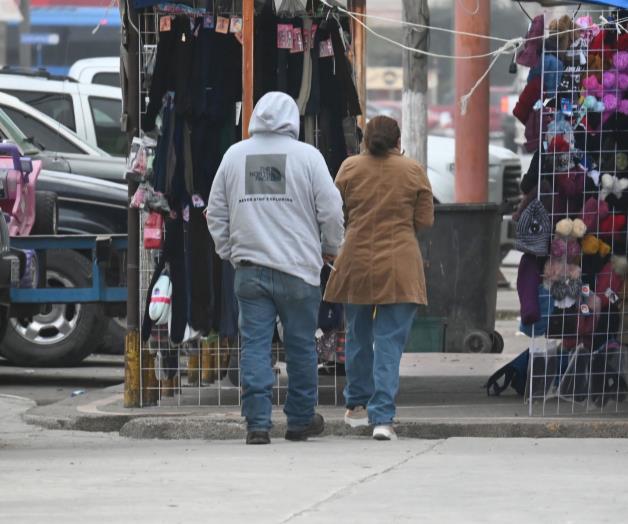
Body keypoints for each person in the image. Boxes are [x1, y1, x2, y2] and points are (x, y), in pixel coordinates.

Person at [206, 92, 344, 445]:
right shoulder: (308, 157)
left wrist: (228, 251)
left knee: (254, 346)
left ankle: (257, 423)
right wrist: (331, 248)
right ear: (293, 120)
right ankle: (299, 421)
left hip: (249, 271)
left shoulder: (234, 155)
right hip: (299, 271)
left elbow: (215, 211)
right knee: (300, 346)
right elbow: (330, 210)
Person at [324, 115, 434, 441]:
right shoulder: (413, 171)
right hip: (401, 266)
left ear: (364, 140)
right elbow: (425, 219)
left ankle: (356, 405)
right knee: (389, 343)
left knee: (358, 337)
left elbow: (333, 213)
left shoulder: (349, 168)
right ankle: (382, 418)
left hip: (356, 262)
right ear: (398, 141)